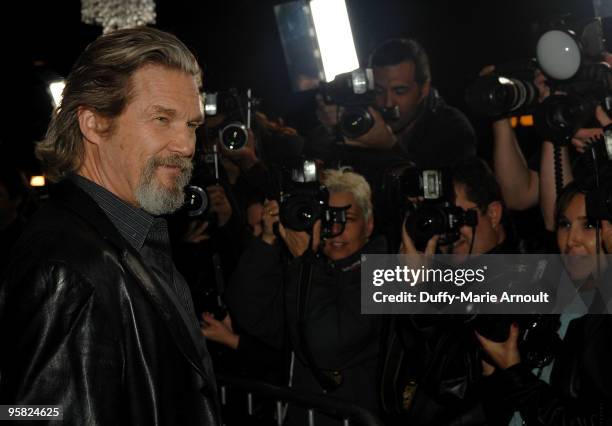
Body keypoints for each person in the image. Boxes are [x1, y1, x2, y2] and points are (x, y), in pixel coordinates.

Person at [0, 27, 220, 425]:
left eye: (191, 124)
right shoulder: (67, 270)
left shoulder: (129, 232)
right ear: (95, 124)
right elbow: (32, 415)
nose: (187, 145)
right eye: (162, 119)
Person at [226, 168, 386, 425]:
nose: (335, 228)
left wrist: (304, 262)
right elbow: (251, 315)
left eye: (348, 218)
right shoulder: (310, 269)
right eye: (327, 217)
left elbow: (327, 345)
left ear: (369, 224)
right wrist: (267, 240)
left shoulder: (389, 273)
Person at [477, 179, 612, 425]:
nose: (572, 239)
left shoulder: (602, 321)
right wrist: (494, 371)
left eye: (589, 225)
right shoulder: (545, 295)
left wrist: (514, 372)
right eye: (565, 224)